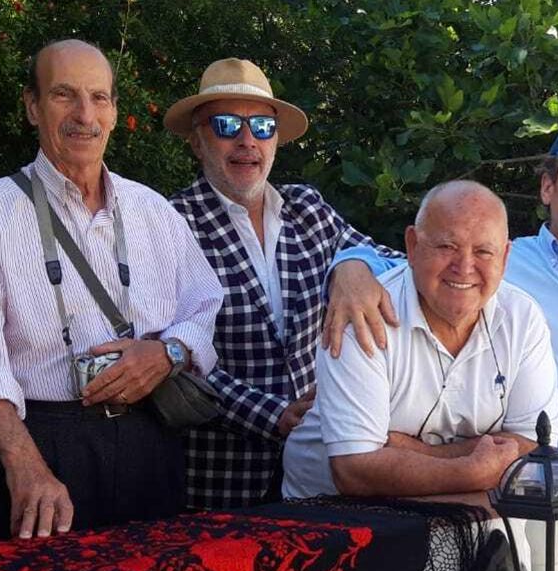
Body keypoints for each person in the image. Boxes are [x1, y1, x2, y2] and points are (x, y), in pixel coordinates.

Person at [0, 39, 223, 540]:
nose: (84, 115)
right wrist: (25, 467)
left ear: (113, 111)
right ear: (32, 106)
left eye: (99, 97)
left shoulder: (153, 211)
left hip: (151, 441)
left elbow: (203, 307)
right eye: (64, 95)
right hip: (43, 446)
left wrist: (168, 353)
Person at [324, 116, 558, 460]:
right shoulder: (496, 265)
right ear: (548, 187)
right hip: (537, 490)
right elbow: (416, 265)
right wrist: (351, 266)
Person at [164, 58, 402, 507]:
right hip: (219, 480)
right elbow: (168, 353)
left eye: (262, 127)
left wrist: (354, 263)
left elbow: (401, 267)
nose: (247, 140)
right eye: (227, 125)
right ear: (197, 141)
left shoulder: (307, 208)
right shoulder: (170, 222)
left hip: (317, 473)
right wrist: (273, 415)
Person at [281, 181, 558, 498]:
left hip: (467, 508)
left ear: (505, 257)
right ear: (412, 246)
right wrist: (473, 470)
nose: (464, 267)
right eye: (447, 247)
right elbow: (353, 471)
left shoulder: (522, 318)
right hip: (327, 513)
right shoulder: (362, 314)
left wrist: (418, 453)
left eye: (483, 251)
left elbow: (536, 445)